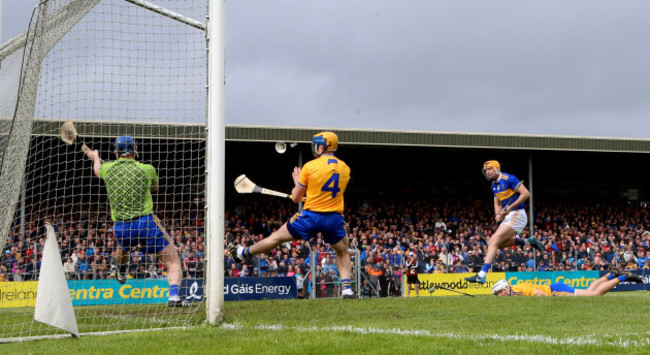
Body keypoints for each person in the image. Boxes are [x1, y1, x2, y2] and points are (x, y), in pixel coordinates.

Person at [229, 132, 356, 298]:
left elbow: (296, 198)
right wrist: (310, 193)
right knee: (343, 251)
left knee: (276, 238)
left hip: (311, 216)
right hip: (333, 218)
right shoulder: (345, 168)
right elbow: (326, 193)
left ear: (321, 146)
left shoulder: (310, 167)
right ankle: (347, 290)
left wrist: (298, 184)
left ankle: (242, 253)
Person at [85, 136, 189, 307]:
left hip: (122, 225)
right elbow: (154, 187)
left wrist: (96, 158)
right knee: (173, 261)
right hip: (146, 223)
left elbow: (97, 171)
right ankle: (174, 297)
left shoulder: (108, 169)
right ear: (136, 150)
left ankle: (122, 270)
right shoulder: (147, 169)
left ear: (115, 152)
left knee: (123, 246)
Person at [466, 160, 543, 284]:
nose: (488, 172)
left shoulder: (509, 179)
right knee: (499, 244)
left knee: (493, 241)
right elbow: (497, 202)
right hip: (508, 216)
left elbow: (526, 193)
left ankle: (482, 274)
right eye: (486, 170)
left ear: (496, 169)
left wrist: (510, 207)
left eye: (490, 169)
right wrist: (498, 215)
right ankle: (528, 241)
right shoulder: (493, 186)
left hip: (518, 214)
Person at [492, 270, 643, 296]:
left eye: (499, 292)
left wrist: (556, 296)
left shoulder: (519, 290)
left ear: (506, 288)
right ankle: (611, 274)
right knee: (589, 290)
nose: (500, 296)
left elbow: (540, 294)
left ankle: (624, 277)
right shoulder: (515, 290)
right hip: (555, 288)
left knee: (595, 294)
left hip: (556, 289)